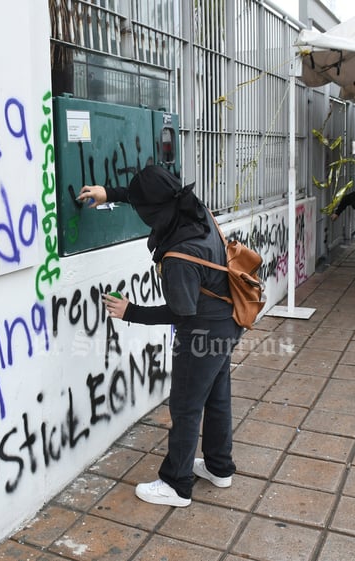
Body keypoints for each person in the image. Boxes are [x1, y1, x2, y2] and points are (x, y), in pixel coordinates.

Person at [78, 165, 242, 507]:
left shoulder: (180, 255)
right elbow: (151, 197)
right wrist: (111, 193)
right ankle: (219, 467)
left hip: (201, 333)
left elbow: (182, 311)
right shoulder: (195, 211)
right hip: (227, 322)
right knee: (216, 397)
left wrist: (131, 312)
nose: (141, 215)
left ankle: (177, 484)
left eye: (141, 210)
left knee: (185, 405)